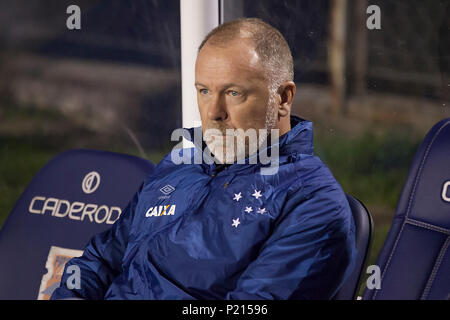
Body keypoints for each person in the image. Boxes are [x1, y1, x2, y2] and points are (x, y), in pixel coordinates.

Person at [51, 18, 356, 300]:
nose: (213, 112)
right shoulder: (180, 163)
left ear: (283, 98)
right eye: (204, 91)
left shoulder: (313, 203)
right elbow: (100, 260)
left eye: (233, 93)